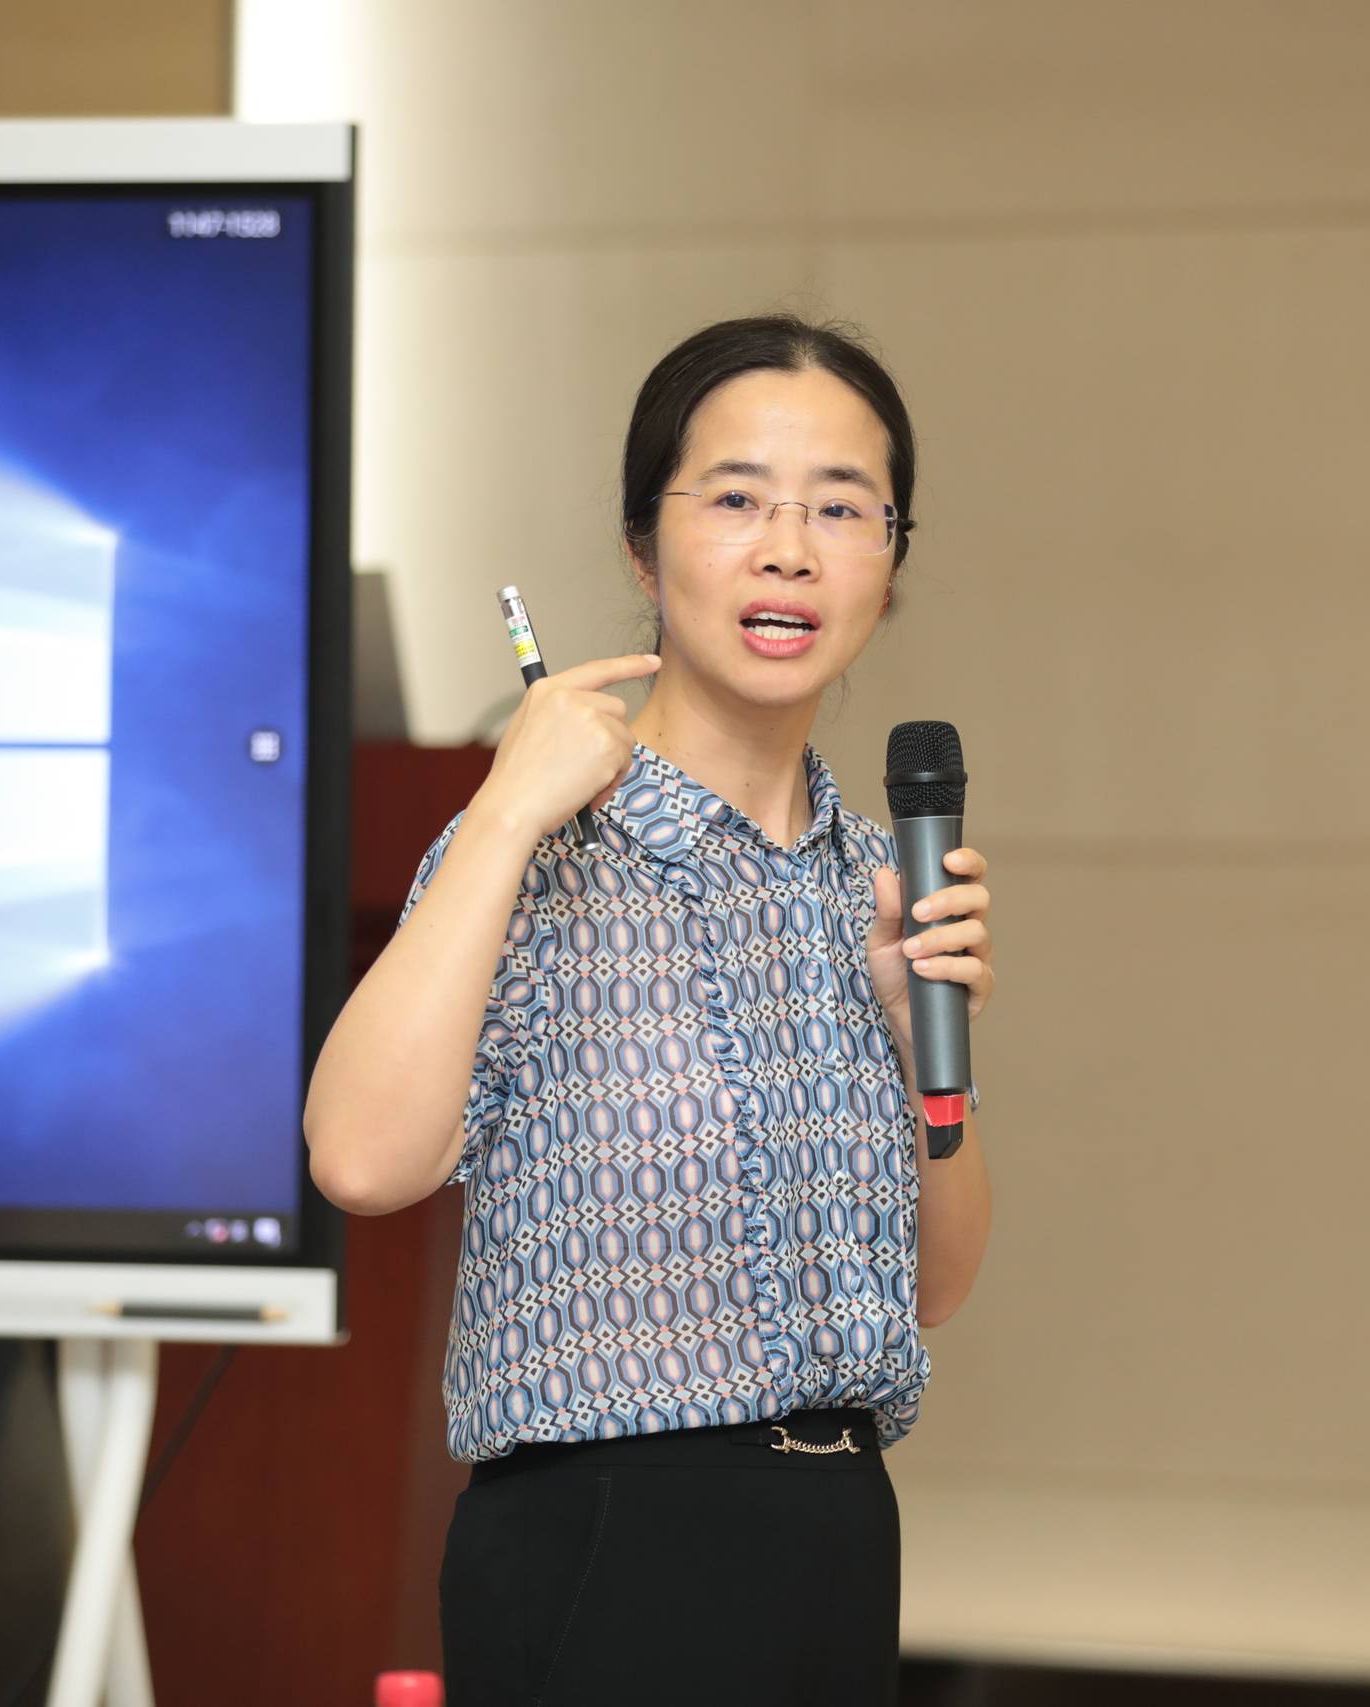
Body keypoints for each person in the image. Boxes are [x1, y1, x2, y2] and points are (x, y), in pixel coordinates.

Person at [304, 314, 997, 1706]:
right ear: (643, 544)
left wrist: (920, 1040)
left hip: (842, 1533)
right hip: (609, 1547)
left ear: (890, 561)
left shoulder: (877, 878)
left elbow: (935, 1285)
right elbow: (362, 1163)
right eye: (737, 498)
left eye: (841, 508)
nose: (789, 550)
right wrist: (505, 812)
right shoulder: (543, 851)